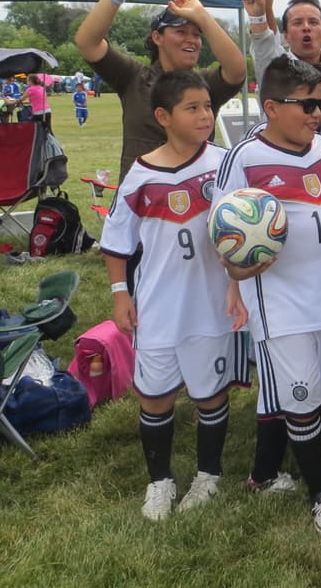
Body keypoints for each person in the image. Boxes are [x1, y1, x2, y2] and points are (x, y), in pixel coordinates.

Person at [100, 72, 248, 520]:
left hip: (211, 303)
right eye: (193, 107)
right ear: (163, 116)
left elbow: (243, 231)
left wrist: (238, 284)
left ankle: (209, 474)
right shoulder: (140, 173)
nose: (205, 115)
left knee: (210, 394)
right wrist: (120, 293)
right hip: (161, 305)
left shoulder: (225, 163)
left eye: (208, 106)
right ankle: (159, 480)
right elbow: (117, 239)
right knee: (156, 395)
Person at [217, 56, 321, 535]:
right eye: (307, 104)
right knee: (302, 397)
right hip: (278, 299)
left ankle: (263, 475)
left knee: (304, 391)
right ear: (270, 107)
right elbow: (224, 234)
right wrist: (234, 272)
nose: (317, 112)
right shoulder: (244, 159)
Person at [74, 0, 246, 179]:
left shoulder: (204, 85)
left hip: (197, 195)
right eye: (181, 32)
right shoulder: (133, 77)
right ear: (157, 38)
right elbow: (87, 43)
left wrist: (203, 17)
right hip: (143, 198)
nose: (191, 40)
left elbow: (237, 70)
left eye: (196, 34)